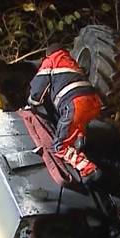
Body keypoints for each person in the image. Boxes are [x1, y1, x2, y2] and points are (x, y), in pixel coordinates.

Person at [27, 44, 103, 182]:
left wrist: (31, 102)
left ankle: (88, 170)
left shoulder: (50, 62)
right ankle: (79, 139)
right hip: (94, 102)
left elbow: (37, 91)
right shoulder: (71, 61)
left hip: (75, 104)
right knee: (77, 124)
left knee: (59, 147)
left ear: (48, 55)